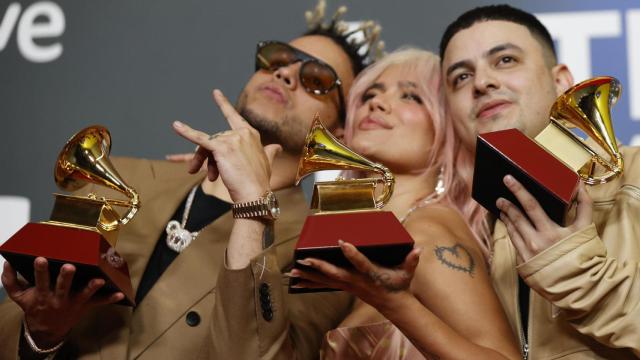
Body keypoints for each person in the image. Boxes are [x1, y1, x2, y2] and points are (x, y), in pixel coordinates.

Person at [0, 3, 371, 358]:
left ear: (338, 132)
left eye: (317, 79)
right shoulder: (119, 177)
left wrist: (252, 205)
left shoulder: (324, 255)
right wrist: (41, 333)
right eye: (276, 60)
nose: (285, 73)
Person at [211, 47, 521, 359]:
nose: (377, 103)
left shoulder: (430, 229)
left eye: (411, 96)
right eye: (370, 94)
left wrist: (397, 304)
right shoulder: (372, 239)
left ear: (446, 128)